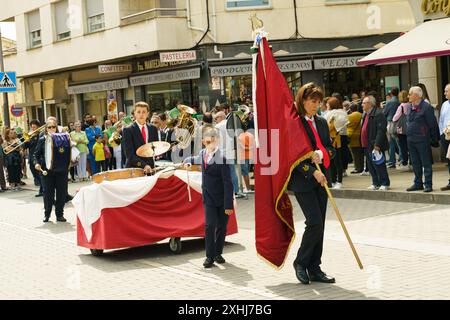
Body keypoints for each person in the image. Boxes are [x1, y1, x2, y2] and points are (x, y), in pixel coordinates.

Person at [288, 83, 336, 285]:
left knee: (321, 225)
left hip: (322, 179)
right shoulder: (295, 123)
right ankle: (301, 262)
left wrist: (321, 153)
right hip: (303, 181)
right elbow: (292, 155)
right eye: (312, 101)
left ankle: (315, 267)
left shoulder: (322, 123)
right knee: (314, 221)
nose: (316, 105)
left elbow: (331, 149)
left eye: (318, 101)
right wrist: (312, 171)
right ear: (303, 101)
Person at [183, 126, 234, 268]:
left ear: (217, 141)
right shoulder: (203, 153)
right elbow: (195, 158)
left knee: (222, 227)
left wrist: (228, 204)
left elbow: (228, 183)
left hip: (222, 199)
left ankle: (218, 253)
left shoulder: (222, 158)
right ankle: (209, 256)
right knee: (209, 225)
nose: (209, 144)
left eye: (212, 141)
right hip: (208, 198)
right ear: (203, 142)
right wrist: (188, 160)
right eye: (206, 142)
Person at [33, 119, 70, 223]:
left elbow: (69, 152)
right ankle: (47, 214)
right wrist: (36, 163)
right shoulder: (42, 139)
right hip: (46, 171)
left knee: (61, 194)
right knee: (48, 194)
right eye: (49, 127)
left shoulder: (63, 138)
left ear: (56, 128)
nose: (51, 129)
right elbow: (35, 154)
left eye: (53, 127)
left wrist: (72, 158)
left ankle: (59, 215)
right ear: (46, 129)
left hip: (61, 171)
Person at [406, 86, 440, 193]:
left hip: (422, 139)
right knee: (415, 163)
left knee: (426, 163)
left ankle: (428, 184)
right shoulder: (410, 107)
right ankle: (418, 183)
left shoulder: (426, 107)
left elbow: (432, 124)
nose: (408, 96)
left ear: (416, 95)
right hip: (411, 139)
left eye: (410, 94)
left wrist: (434, 139)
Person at [361, 95, 390, 191]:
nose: (362, 105)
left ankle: (384, 183)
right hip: (366, 144)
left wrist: (377, 145)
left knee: (379, 164)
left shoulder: (378, 114)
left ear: (370, 104)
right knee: (371, 165)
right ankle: (375, 182)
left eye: (364, 103)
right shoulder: (366, 114)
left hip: (375, 144)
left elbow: (381, 131)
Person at [122, 102, 159, 173]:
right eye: (138, 112)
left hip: (151, 168)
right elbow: (129, 155)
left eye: (144, 112)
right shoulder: (128, 130)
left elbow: (155, 149)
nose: (141, 114)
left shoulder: (153, 129)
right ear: (134, 113)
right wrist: (144, 165)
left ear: (148, 114)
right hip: (134, 169)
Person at [326, 97, 348, 189]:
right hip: (330, 140)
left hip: (336, 140)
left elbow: (337, 126)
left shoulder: (338, 114)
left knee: (337, 162)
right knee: (332, 162)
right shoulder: (330, 114)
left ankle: (339, 181)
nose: (326, 105)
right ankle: (333, 180)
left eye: (328, 104)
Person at [23, 120, 44, 196]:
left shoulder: (41, 135)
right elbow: (25, 147)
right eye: (32, 127)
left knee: (40, 173)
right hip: (31, 157)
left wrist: (35, 136)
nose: (33, 129)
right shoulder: (30, 136)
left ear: (38, 127)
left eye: (34, 127)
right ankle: (42, 189)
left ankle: (42, 190)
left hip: (39, 157)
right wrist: (26, 140)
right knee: (34, 172)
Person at [392, 90, 410, 171]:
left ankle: (405, 163)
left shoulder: (401, 106)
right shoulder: (410, 105)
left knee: (403, 147)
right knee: (410, 146)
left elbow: (395, 118)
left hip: (401, 130)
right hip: (409, 128)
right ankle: (411, 162)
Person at [383, 87, 401, 168]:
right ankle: (401, 159)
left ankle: (392, 161)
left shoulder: (389, 102)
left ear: (391, 93)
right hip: (399, 123)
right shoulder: (399, 102)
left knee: (391, 144)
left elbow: (384, 113)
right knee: (399, 143)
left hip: (390, 123)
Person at [439, 84, 450, 191]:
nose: (444, 93)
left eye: (446, 91)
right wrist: (441, 133)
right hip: (446, 136)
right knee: (449, 159)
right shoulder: (444, 104)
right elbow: (441, 120)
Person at [347, 104, 364, 174]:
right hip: (360, 135)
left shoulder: (350, 116)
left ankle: (357, 167)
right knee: (360, 154)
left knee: (354, 154)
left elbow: (347, 124)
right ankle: (361, 167)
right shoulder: (361, 114)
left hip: (352, 136)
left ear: (350, 109)